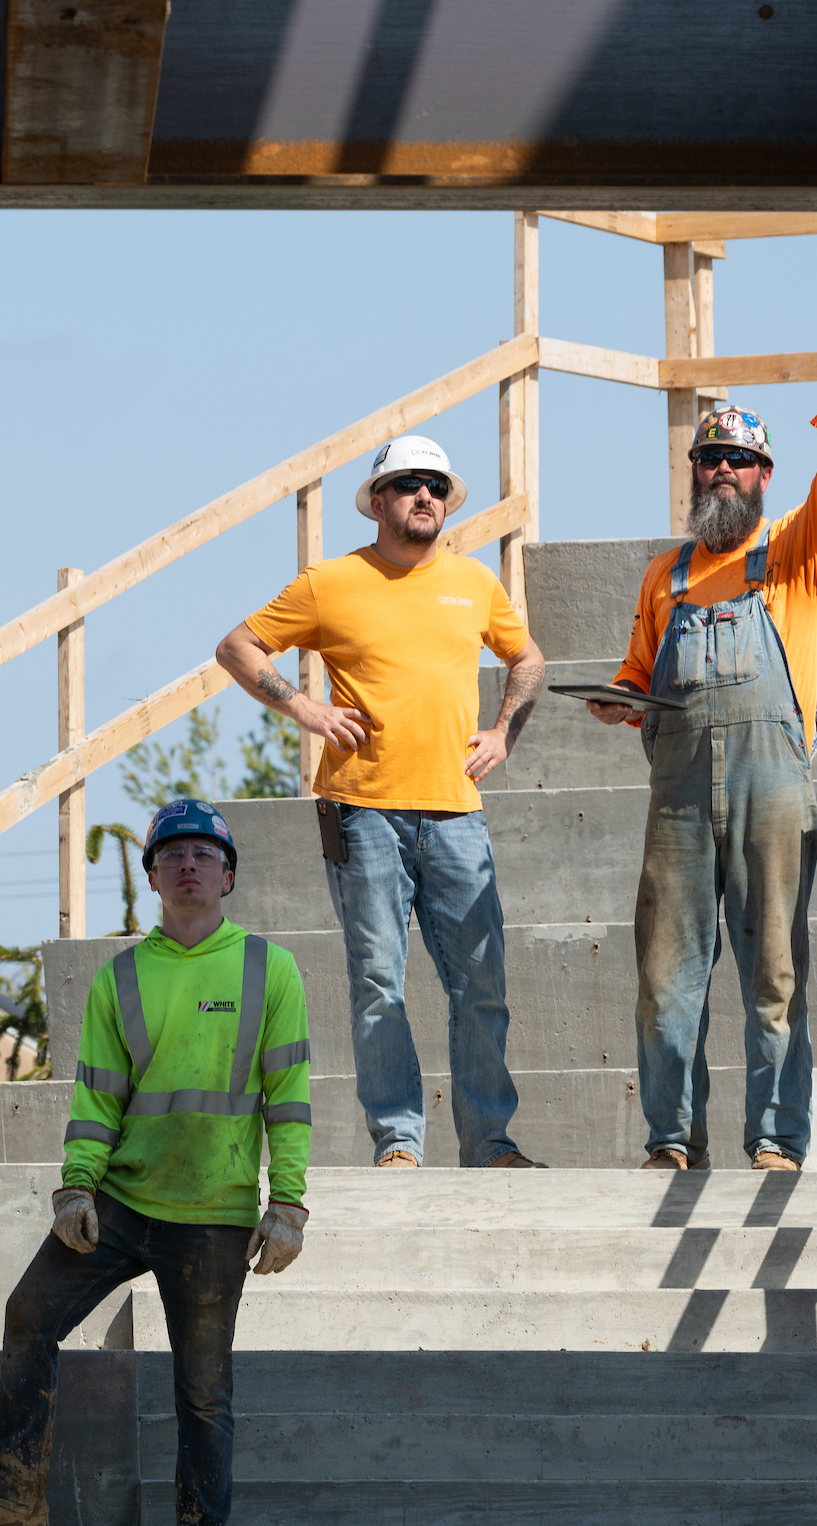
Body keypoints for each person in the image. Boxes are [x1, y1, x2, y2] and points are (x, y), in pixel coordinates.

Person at [0, 801, 309, 1526]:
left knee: (202, 1392)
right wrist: (76, 1188)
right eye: (172, 854)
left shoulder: (271, 971)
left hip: (214, 1216)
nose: (187, 864)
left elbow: (286, 1098)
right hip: (124, 1206)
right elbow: (98, 1100)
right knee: (29, 1315)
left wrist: (287, 1204)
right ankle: (15, 1501)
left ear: (228, 875)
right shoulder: (120, 979)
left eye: (203, 853)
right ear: (154, 877)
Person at [215, 435, 548, 1170]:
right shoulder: (330, 583)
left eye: (434, 484)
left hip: (456, 813)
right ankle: (398, 1142)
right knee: (377, 986)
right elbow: (239, 646)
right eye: (406, 485)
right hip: (362, 814)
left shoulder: (474, 582)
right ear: (379, 502)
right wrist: (305, 709)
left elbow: (527, 659)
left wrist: (503, 734)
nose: (423, 495)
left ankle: (489, 1144)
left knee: (481, 986)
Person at [587, 320, 817, 1173]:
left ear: (763, 476)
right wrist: (621, 701)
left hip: (771, 790)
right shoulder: (662, 575)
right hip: (677, 798)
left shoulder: (792, 555)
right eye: (709, 459)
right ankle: (673, 1139)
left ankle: (777, 1139)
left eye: (737, 460)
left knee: (774, 976)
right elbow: (642, 675)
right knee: (667, 980)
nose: (721, 471)